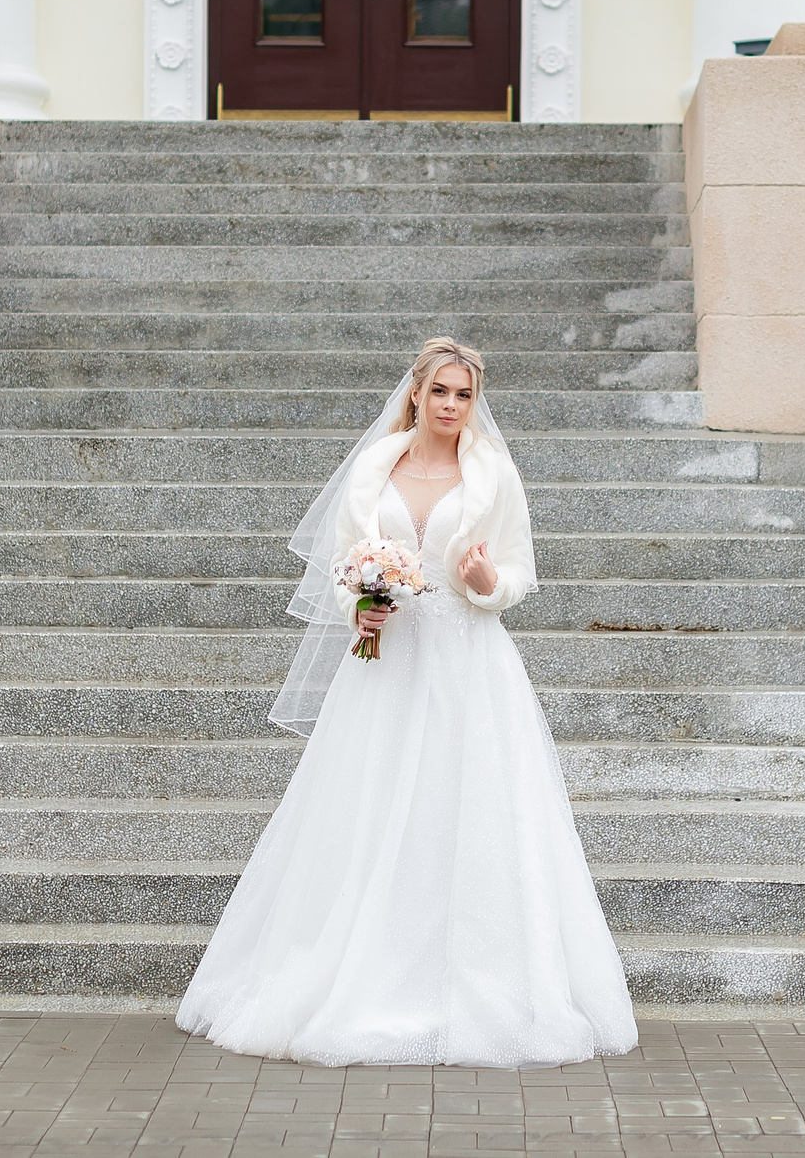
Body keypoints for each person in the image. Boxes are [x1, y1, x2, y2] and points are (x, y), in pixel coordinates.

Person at [175, 337, 639, 1068]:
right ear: (416, 393)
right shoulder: (373, 467)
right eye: (442, 391)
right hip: (384, 665)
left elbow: (518, 570)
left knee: (467, 812)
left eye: (465, 394)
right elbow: (342, 563)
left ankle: (476, 983)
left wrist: (487, 579)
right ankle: (353, 973)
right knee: (365, 810)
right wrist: (359, 603)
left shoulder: (493, 474)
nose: (452, 405)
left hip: (466, 663)